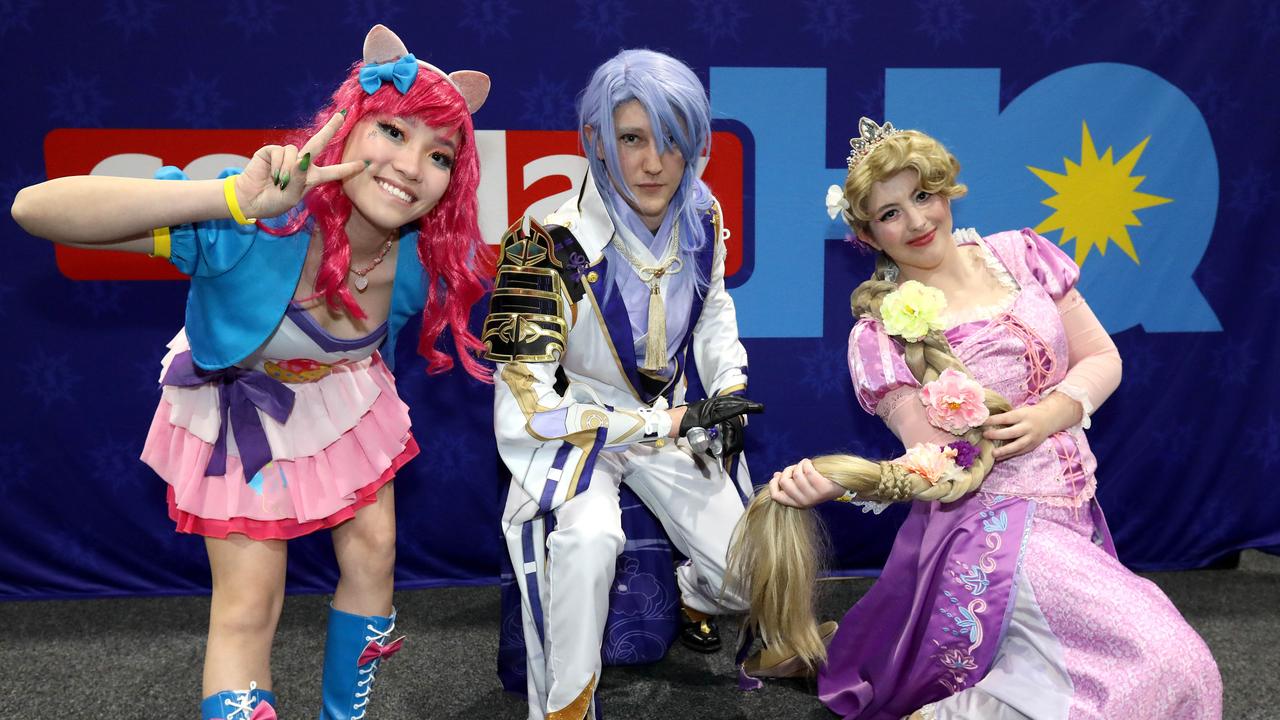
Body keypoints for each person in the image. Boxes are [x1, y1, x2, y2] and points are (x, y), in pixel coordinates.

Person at [11, 25, 490, 720]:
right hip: (241, 416)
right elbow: (36, 208)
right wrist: (230, 200)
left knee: (375, 553)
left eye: (438, 153)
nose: (413, 166)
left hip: (343, 405)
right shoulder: (254, 227)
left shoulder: (416, 260)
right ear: (346, 126)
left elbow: (368, 352)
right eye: (392, 130)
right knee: (247, 606)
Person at [726, 118, 1222, 719]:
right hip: (993, 532)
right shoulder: (881, 336)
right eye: (890, 214)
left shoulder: (1021, 254)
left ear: (946, 190)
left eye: (922, 196)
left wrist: (1051, 415)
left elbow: (1102, 358)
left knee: (1155, 672)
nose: (915, 222)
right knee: (1167, 662)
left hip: (1076, 523)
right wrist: (845, 480)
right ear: (867, 234)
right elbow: (934, 464)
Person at [485, 49, 764, 720]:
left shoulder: (704, 214)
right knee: (588, 541)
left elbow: (714, 306)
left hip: (661, 417)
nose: (653, 163)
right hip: (568, 429)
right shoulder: (539, 242)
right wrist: (664, 424)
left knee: (750, 576)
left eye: (672, 141)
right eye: (632, 139)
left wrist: (728, 380)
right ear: (597, 142)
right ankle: (568, 705)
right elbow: (526, 404)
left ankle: (694, 592)